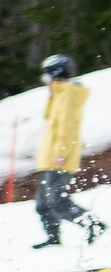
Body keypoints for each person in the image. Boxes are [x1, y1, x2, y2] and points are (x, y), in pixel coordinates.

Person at [32, 54, 102, 249]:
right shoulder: (60, 94)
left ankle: (94, 225)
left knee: (57, 202)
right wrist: (51, 94)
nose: (44, 79)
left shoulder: (70, 94)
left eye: (46, 75)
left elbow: (67, 126)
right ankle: (53, 238)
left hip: (59, 157)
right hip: (48, 158)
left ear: (56, 73)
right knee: (43, 204)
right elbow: (49, 118)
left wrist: (61, 152)